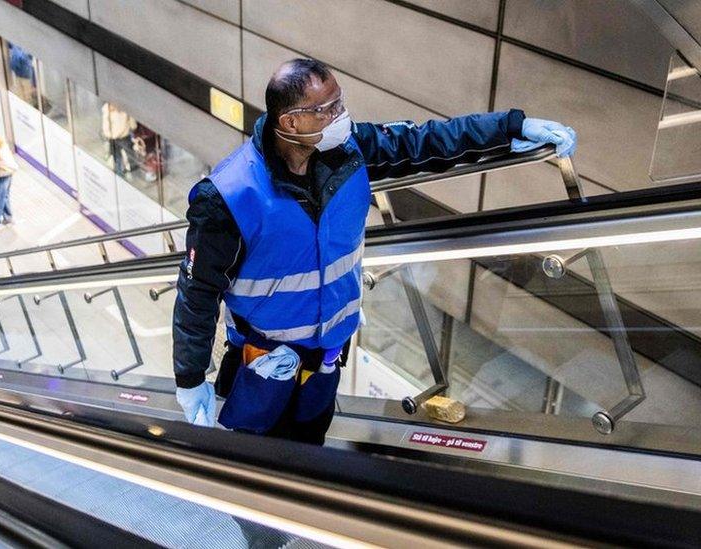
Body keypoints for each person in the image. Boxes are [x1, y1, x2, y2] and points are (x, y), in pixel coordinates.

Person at [172, 58, 577, 445]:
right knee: (254, 472)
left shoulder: (348, 152)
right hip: (258, 367)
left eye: (340, 103)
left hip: (325, 362)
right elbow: (197, 294)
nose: (341, 116)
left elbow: (425, 141)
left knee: (310, 453)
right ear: (290, 122)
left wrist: (510, 129)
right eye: (328, 109)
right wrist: (191, 379)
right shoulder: (229, 196)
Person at [101, 102, 137, 175]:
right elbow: (132, 124)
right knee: (127, 154)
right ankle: (124, 170)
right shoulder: (109, 110)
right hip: (121, 137)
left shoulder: (108, 110)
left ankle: (120, 171)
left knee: (119, 156)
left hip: (116, 137)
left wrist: (109, 134)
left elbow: (106, 125)